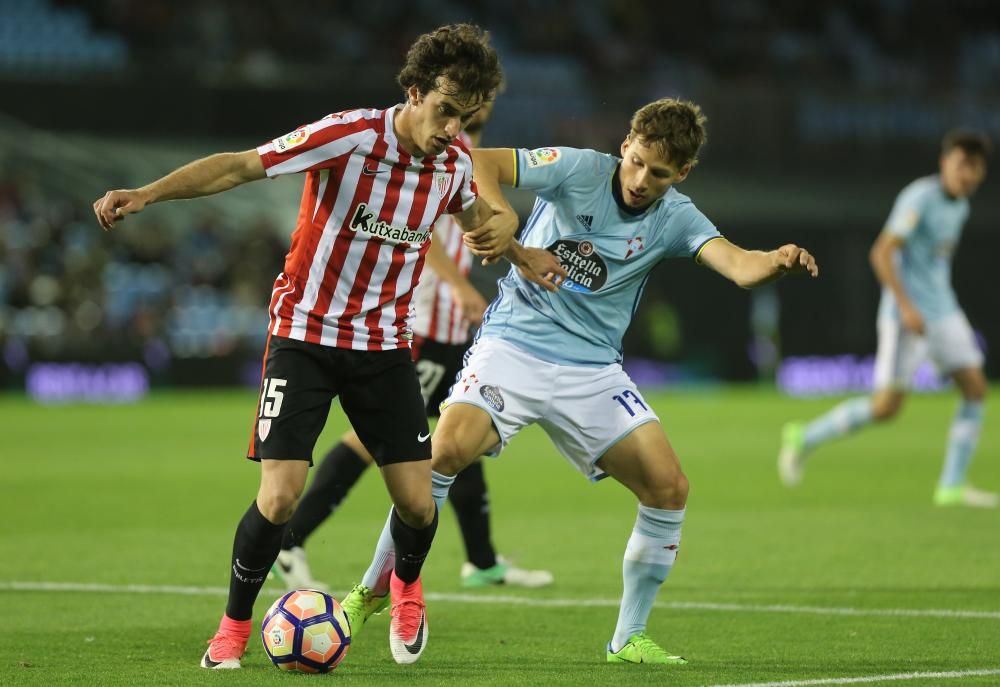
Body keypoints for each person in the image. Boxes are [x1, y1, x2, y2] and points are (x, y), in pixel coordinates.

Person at [93, 24, 564, 670]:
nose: (454, 128)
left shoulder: (452, 166)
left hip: (383, 346)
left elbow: (475, 220)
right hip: (305, 337)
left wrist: (519, 250)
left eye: (468, 116)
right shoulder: (347, 135)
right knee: (280, 495)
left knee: (419, 502)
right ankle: (231, 629)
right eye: (446, 110)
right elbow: (240, 165)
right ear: (414, 90)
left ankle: (404, 586)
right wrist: (147, 193)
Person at [347, 98, 819, 665]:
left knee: (669, 488)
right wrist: (502, 217)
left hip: (593, 370)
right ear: (626, 144)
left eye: (660, 173)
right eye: (637, 161)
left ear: (683, 174)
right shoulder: (577, 168)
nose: (642, 180)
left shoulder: (678, 217)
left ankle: (629, 638)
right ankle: (373, 589)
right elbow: (482, 162)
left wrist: (776, 259)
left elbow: (740, 266)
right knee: (444, 451)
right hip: (514, 345)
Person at [272, 100, 554, 593]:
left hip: (448, 329)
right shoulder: (440, 152)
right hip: (417, 319)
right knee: (375, 439)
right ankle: (291, 540)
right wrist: (460, 287)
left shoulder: (463, 153)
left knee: (456, 438)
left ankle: (483, 561)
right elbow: (431, 239)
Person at [778, 130, 994, 507]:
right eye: (962, 165)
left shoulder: (960, 207)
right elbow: (881, 253)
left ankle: (952, 486)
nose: (968, 175)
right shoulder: (919, 198)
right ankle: (804, 437)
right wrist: (907, 306)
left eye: (975, 168)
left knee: (975, 387)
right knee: (886, 408)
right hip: (905, 315)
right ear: (945, 163)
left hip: (943, 311)